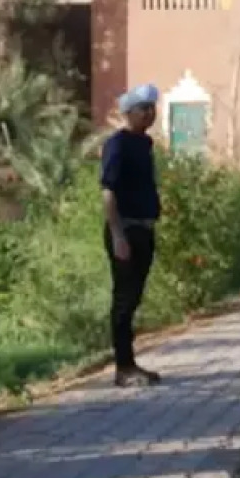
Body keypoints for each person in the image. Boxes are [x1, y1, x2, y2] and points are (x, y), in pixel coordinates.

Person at [101, 83, 163, 387]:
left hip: (144, 228)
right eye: (143, 109)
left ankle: (131, 363)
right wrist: (118, 234)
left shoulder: (145, 144)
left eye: (152, 109)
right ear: (129, 113)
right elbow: (108, 192)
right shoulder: (118, 144)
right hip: (125, 230)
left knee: (134, 297)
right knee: (124, 299)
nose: (150, 114)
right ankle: (122, 368)